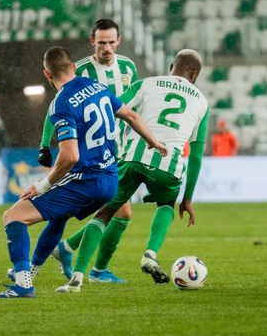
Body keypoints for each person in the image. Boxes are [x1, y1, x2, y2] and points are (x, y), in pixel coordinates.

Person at [0, 46, 166, 298]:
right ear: (73, 67)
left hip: (86, 180)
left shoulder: (61, 103)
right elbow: (131, 115)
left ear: (47, 74)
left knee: (13, 216)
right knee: (59, 217)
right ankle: (31, 271)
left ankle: (22, 285)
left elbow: (70, 156)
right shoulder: (97, 87)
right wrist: (153, 141)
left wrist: (42, 185)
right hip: (110, 179)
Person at [54, 49, 209, 292]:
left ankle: (77, 277)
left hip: (134, 156)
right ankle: (150, 254)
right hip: (168, 165)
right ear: (195, 73)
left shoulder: (146, 84)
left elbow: (110, 106)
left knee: (105, 213)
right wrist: (187, 198)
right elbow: (197, 155)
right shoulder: (202, 101)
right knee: (166, 204)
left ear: (171, 67)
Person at [39, 19, 138, 283]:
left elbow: (130, 106)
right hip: (90, 152)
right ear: (92, 41)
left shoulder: (128, 67)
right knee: (119, 211)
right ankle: (93, 269)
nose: (107, 48)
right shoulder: (79, 70)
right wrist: (44, 144)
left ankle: (68, 249)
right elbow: (55, 110)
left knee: (118, 211)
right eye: (101, 42)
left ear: (118, 40)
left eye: (111, 42)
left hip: (118, 149)